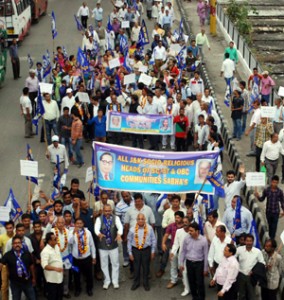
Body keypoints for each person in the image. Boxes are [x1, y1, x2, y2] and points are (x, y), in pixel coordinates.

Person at [94, 204, 123, 289]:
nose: (107, 212)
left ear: (111, 210)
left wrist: (119, 234)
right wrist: (99, 234)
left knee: (115, 264)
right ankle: (106, 281)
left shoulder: (116, 218)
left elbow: (120, 227)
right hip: (103, 246)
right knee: (104, 264)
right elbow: (96, 228)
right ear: (103, 211)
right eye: (106, 211)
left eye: (109, 211)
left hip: (113, 245)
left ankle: (115, 281)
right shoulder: (99, 219)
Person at [1, 235, 36, 300]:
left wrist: (34, 278)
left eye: (19, 243)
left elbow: (32, 266)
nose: (17, 245)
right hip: (15, 283)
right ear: (12, 245)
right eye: (15, 243)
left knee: (32, 298)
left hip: (27, 281)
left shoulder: (27, 253)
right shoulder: (8, 255)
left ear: (21, 244)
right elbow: (1, 264)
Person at [127, 213, 156, 291]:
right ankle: (136, 283)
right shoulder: (132, 229)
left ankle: (146, 283)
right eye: (139, 219)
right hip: (135, 250)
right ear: (136, 220)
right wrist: (130, 253)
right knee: (136, 267)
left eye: (142, 219)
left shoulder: (149, 228)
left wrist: (153, 251)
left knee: (146, 267)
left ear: (145, 220)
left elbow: (153, 240)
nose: (140, 220)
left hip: (146, 250)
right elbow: (129, 241)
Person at [179, 222, 208, 300]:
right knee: (191, 282)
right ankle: (194, 297)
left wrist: (205, 269)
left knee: (200, 282)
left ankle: (201, 298)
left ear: (197, 231)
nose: (189, 232)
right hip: (189, 263)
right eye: (189, 230)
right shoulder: (186, 238)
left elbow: (206, 255)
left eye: (191, 231)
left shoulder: (203, 240)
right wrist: (181, 263)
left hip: (199, 264)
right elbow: (183, 251)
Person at [68, 218, 96, 297]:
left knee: (89, 275)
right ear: (75, 224)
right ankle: (78, 289)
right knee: (76, 275)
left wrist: (94, 257)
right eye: (77, 223)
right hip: (76, 259)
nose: (79, 225)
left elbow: (92, 245)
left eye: (81, 223)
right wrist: (73, 233)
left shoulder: (88, 233)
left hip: (86, 258)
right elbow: (69, 242)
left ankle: (89, 289)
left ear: (83, 224)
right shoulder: (71, 232)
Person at [236, 234, 265, 300]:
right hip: (241, 275)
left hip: (251, 277)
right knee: (241, 294)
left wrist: (254, 271)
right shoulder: (239, 250)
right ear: (245, 241)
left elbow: (262, 263)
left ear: (253, 241)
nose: (249, 243)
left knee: (251, 295)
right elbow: (233, 258)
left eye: (250, 241)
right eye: (247, 241)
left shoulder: (257, 252)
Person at [162, 211, 184, 289]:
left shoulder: (185, 226)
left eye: (178, 217)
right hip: (173, 249)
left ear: (182, 218)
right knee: (173, 265)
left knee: (183, 267)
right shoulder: (171, 226)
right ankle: (173, 280)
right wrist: (163, 243)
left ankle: (185, 282)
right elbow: (166, 234)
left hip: (183, 250)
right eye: (175, 217)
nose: (176, 219)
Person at [41, 232, 63, 300]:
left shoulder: (56, 246)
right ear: (49, 241)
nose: (57, 240)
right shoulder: (45, 251)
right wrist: (56, 269)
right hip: (52, 279)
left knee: (59, 296)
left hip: (59, 277)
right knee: (52, 297)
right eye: (55, 239)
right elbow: (44, 265)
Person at [115, 191, 134, 267]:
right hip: (124, 227)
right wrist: (119, 230)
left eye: (127, 196)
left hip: (134, 227)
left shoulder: (135, 201)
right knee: (125, 243)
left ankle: (133, 257)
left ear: (130, 194)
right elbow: (118, 218)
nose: (125, 198)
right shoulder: (119, 205)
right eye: (123, 196)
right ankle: (126, 259)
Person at [0, 221, 15, 300]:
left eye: (10, 228)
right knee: (4, 285)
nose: (9, 230)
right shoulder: (1, 237)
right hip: (5, 264)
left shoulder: (17, 236)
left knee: (16, 284)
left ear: (13, 227)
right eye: (7, 228)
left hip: (16, 263)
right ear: (5, 228)